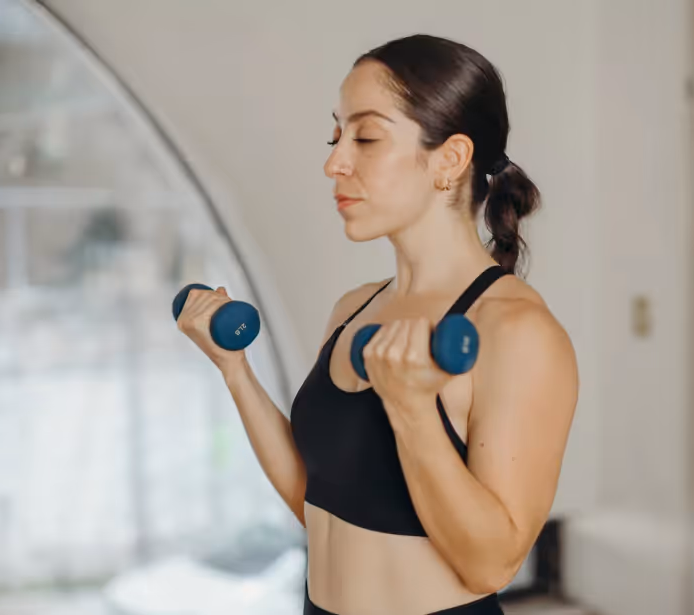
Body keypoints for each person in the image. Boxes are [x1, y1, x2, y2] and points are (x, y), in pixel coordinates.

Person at [177, 34, 578, 615]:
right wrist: (235, 371)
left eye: (365, 136)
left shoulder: (517, 332)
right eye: (337, 134)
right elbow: (316, 501)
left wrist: (413, 410)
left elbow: (492, 563)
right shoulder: (354, 310)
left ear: (451, 159)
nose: (334, 161)